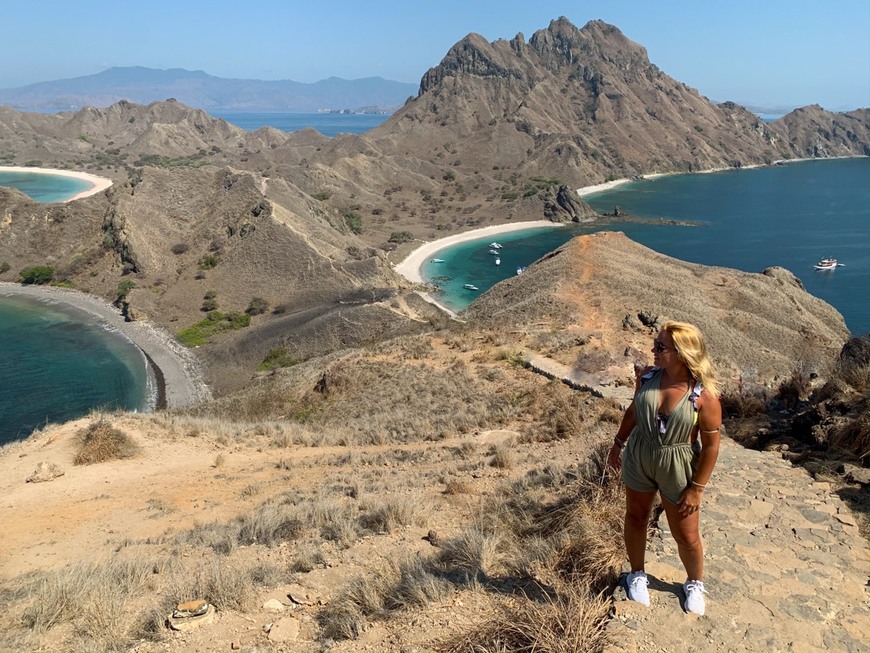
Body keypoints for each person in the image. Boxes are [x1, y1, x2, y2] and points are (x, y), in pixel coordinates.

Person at [607, 321, 722, 615]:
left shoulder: (705, 397)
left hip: (679, 465)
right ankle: (636, 574)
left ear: (682, 353)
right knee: (635, 517)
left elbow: (710, 447)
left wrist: (697, 489)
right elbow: (634, 411)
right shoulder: (647, 377)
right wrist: (618, 443)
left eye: (660, 347)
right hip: (640, 455)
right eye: (655, 345)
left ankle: (694, 583)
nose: (652, 350)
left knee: (686, 535)